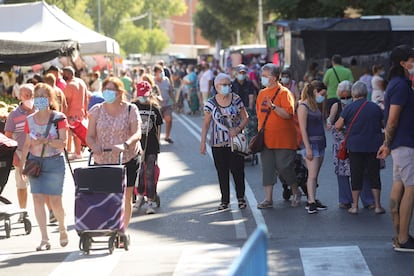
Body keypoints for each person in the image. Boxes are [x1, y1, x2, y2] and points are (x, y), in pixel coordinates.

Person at [86, 76, 141, 231]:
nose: (107, 92)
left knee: (125, 197)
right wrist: (94, 145)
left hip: (127, 157)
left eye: (111, 89)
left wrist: (125, 144)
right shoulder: (97, 110)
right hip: (103, 159)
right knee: (106, 196)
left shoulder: (131, 109)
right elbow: (89, 135)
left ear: (119, 92)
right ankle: (109, 226)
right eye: (105, 89)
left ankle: (122, 229)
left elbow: (137, 133)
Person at [20, 83, 69, 251]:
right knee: (37, 198)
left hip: (54, 162)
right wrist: (21, 167)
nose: (40, 99)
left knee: (55, 201)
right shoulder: (29, 120)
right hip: (35, 162)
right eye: (37, 96)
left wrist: (45, 141)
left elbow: (63, 143)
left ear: (50, 98)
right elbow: (26, 144)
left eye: (44, 96)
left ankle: (62, 228)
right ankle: (44, 238)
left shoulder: (59, 118)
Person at [377, 44, 414, 252]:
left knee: (399, 186)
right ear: (403, 63)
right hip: (405, 143)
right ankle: (403, 237)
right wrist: (388, 144)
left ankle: (400, 235)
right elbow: (392, 120)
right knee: (411, 188)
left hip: (399, 143)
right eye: (412, 59)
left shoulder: (396, 83)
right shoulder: (401, 85)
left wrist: (387, 144)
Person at [200, 73, 249, 210]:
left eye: (229, 84)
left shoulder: (236, 99)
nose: (227, 87)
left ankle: (241, 198)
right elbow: (206, 124)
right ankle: (225, 200)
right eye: (224, 84)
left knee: (238, 170)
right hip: (218, 143)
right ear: (216, 86)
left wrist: (238, 129)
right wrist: (203, 142)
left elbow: (246, 117)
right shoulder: (210, 103)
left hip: (235, 142)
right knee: (222, 171)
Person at [255, 63, 301, 209]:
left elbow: (288, 114)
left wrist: (274, 107)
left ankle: (295, 191)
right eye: (261, 75)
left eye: (265, 76)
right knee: (267, 169)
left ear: (274, 78)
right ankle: (268, 199)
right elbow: (259, 115)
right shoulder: (261, 93)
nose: (262, 78)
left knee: (284, 167)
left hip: (284, 139)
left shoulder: (284, 93)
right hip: (266, 139)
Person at [335, 81, 385, 215]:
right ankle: (378, 206)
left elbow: (338, 125)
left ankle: (355, 206)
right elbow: (383, 124)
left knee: (356, 176)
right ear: (366, 93)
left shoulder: (349, 108)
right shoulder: (375, 107)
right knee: (374, 176)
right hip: (374, 146)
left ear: (353, 93)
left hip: (355, 147)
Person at [327, 80, 374, 209]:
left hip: (354, 143)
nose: (346, 99)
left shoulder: (357, 105)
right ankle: (345, 199)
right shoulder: (336, 106)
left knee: (361, 171)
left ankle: (368, 200)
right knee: (342, 173)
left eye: (348, 97)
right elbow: (330, 123)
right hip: (341, 145)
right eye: (343, 97)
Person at [4, 84, 35, 222]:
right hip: (22, 154)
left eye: (31, 95)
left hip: (40, 153)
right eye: (26, 95)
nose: (29, 98)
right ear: (20, 97)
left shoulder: (40, 109)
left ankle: (51, 211)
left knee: (43, 184)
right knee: (22, 185)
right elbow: (8, 137)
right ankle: (23, 212)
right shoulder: (14, 114)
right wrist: (14, 156)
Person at [133, 81, 163, 214]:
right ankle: (139, 197)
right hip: (136, 145)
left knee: (149, 173)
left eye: (145, 95)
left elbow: (158, 128)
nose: (142, 98)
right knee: (138, 173)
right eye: (140, 95)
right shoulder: (133, 106)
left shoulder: (154, 108)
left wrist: (157, 145)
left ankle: (150, 200)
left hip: (151, 146)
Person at [297, 80, 327, 214]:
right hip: (310, 144)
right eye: (322, 94)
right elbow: (303, 129)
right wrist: (307, 148)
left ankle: (313, 198)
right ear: (315, 92)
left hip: (320, 142)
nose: (323, 96)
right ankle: (311, 202)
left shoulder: (315, 105)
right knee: (312, 174)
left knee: (315, 175)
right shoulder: (303, 106)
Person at [62, 66, 88, 160]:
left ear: (68, 74)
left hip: (71, 113)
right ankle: (78, 151)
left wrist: (63, 112)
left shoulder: (69, 85)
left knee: (75, 134)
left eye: (63, 74)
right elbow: (86, 97)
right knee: (77, 134)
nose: (62, 76)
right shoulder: (81, 82)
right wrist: (85, 110)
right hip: (80, 111)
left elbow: (66, 101)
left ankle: (77, 152)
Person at [154, 64, 175, 143]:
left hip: (167, 104)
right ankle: (157, 139)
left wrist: (174, 101)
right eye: (160, 72)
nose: (161, 74)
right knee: (158, 123)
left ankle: (167, 136)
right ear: (155, 73)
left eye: (162, 72)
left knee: (169, 119)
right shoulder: (153, 81)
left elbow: (170, 91)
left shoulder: (166, 80)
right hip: (157, 106)